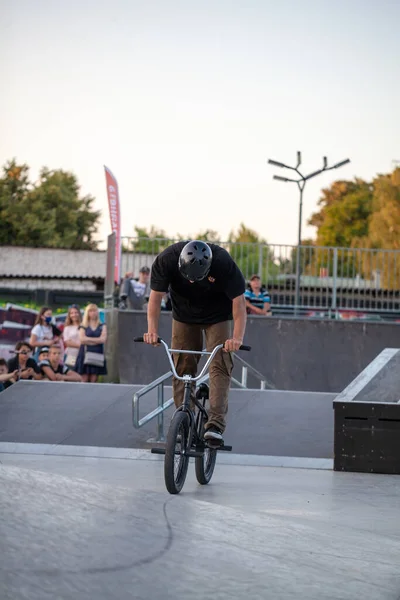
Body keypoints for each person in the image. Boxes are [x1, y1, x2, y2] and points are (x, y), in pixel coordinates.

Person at [143, 240, 247, 445]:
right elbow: (154, 299)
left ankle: (215, 424)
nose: (192, 282)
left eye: (197, 278)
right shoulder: (167, 260)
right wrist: (152, 331)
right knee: (182, 365)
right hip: (183, 315)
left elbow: (239, 303)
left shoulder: (223, 262)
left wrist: (237, 338)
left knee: (219, 364)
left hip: (218, 315)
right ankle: (184, 420)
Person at [75, 303, 107, 383]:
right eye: (91, 311)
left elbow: (103, 340)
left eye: (95, 310)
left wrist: (88, 340)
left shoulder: (102, 325)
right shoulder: (83, 325)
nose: (93, 313)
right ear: (87, 313)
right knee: (84, 379)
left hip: (97, 353)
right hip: (85, 353)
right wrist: (96, 340)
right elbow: (82, 339)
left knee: (94, 380)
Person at [62, 304, 82, 369]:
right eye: (71, 313)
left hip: (83, 355)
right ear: (69, 315)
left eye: (76, 312)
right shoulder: (67, 328)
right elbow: (67, 343)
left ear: (79, 313)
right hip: (71, 355)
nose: (74, 315)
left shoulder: (84, 326)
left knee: (82, 375)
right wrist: (81, 346)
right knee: (71, 372)